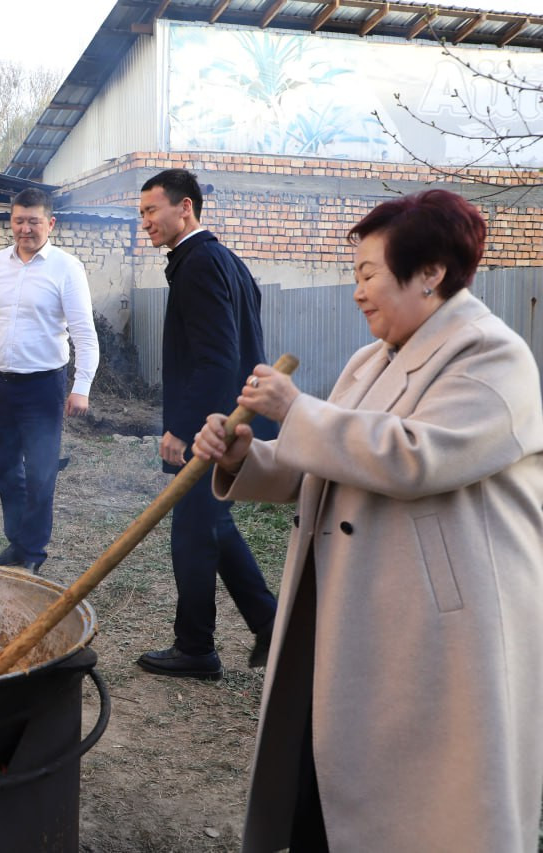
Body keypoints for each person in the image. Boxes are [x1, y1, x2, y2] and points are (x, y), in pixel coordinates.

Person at [192, 189, 543, 851]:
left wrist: (296, 410)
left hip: (436, 635)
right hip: (353, 615)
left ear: (430, 272)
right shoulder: (369, 360)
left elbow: (413, 457)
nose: (356, 292)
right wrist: (245, 456)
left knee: (421, 809)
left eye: (368, 274)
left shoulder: (492, 356)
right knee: (327, 787)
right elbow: (325, 464)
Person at [135, 168, 277, 680]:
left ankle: (196, 648)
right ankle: (271, 624)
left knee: (194, 534)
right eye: (142, 213)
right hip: (230, 423)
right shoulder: (226, 261)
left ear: (185, 208)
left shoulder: (198, 264)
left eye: (152, 210)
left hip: (213, 429)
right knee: (210, 525)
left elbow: (218, 360)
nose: (145, 221)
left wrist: (183, 427)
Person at [0, 187, 98, 575]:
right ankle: (17, 542)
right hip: (2, 383)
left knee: (40, 471)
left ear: (50, 223)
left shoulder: (67, 268)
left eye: (33, 221)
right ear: (11, 221)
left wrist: (81, 386)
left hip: (44, 386)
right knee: (4, 467)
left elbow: (84, 333)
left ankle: (33, 550)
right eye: (19, 221)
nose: (25, 229)